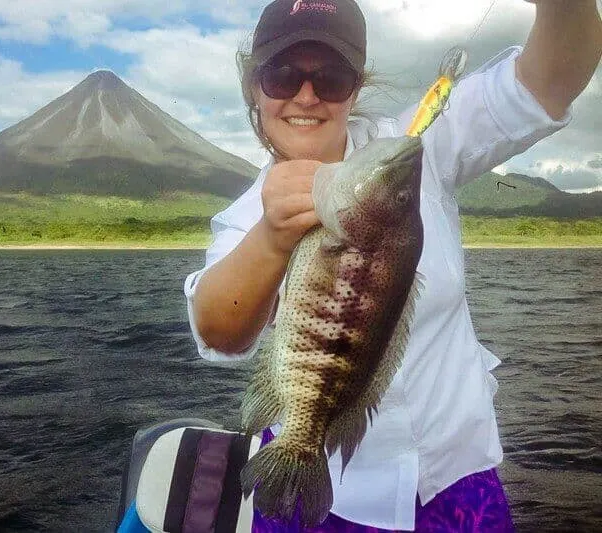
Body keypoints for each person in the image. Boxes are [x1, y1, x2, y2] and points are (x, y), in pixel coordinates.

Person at [183, 0, 602, 531]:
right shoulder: (246, 216)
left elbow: (550, 82)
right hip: (328, 492)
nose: (306, 95)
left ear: (356, 87)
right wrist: (269, 239)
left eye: (331, 77)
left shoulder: (407, 150)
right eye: (283, 74)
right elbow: (219, 330)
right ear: (255, 87)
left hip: (456, 475)